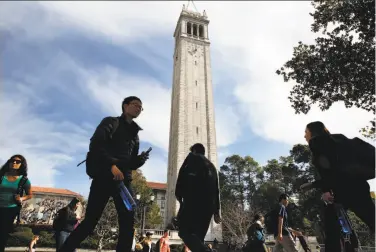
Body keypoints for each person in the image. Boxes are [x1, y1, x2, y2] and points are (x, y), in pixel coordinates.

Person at [59, 96, 150, 252]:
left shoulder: (135, 134)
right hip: (104, 177)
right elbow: (96, 145)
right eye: (135, 105)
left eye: (140, 107)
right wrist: (112, 165)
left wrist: (140, 160)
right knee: (90, 221)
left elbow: (131, 163)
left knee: (128, 222)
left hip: (124, 182)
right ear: (125, 106)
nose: (138, 109)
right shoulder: (110, 122)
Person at [300, 121, 375, 252]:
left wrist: (325, 190)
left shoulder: (317, 142)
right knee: (373, 219)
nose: (304, 136)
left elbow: (327, 169)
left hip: (339, 191)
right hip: (359, 186)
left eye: (306, 132)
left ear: (313, 132)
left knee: (331, 229)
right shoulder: (340, 138)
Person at [175, 143, 222, 252]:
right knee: (198, 237)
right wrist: (216, 211)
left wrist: (179, 196)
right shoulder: (212, 166)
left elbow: (182, 177)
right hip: (209, 207)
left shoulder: (192, 159)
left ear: (194, 151)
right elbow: (216, 190)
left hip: (193, 203)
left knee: (183, 231)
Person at [0, 155, 32, 252]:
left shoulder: (24, 180)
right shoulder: (1, 176)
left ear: (21, 165)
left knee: (2, 234)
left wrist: (22, 199)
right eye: (12, 161)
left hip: (11, 209)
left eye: (17, 162)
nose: (14, 163)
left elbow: (30, 195)